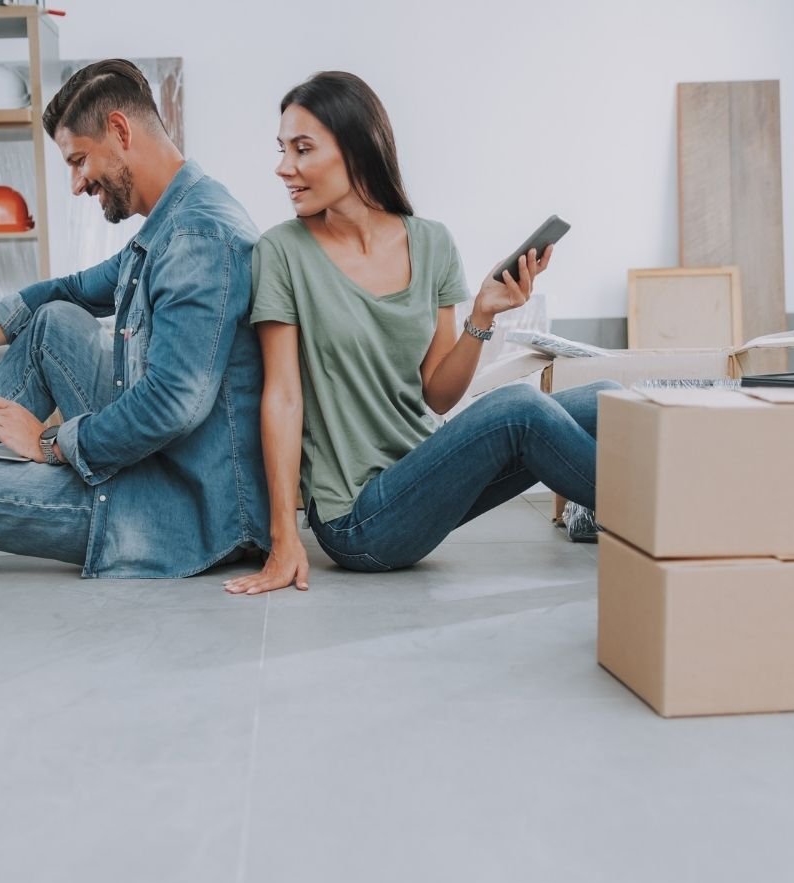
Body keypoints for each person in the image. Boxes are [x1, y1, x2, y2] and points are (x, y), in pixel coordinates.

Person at [0, 60, 270, 578]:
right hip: (167, 470)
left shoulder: (197, 240)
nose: (77, 185)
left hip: (174, 512)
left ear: (120, 132)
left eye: (79, 160)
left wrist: (48, 442)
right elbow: (71, 290)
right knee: (54, 322)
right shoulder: (181, 215)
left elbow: (174, 404)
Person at [224, 71, 616, 596]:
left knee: (608, 401)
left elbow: (437, 392)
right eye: (282, 149)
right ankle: (684, 521)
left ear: (357, 150)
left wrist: (483, 314)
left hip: (422, 475)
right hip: (358, 521)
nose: (283, 167)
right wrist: (283, 539)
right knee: (520, 409)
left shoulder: (431, 242)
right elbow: (283, 398)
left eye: (302, 149)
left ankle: (668, 505)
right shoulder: (281, 252)